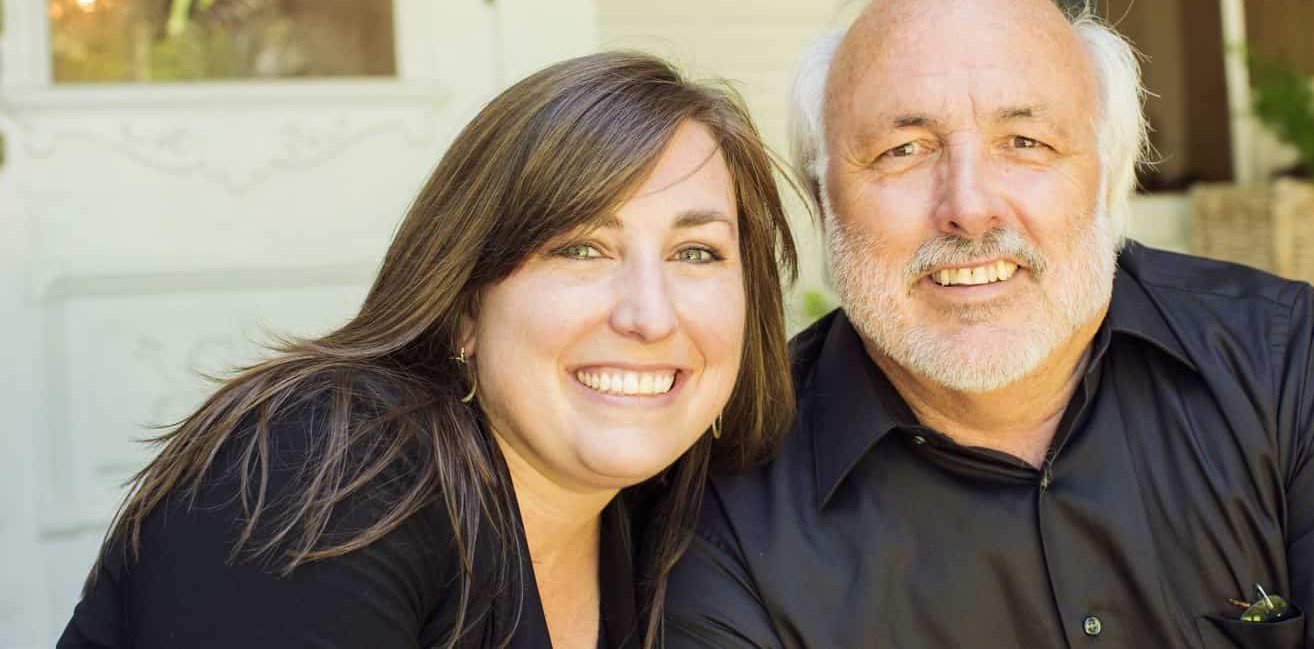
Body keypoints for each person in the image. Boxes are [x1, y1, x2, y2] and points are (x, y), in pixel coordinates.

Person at [664, 0, 1314, 648]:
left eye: (1024, 140)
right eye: (903, 151)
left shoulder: (1288, 370)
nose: (967, 208)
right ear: (822, 195)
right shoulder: (731, 501)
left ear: (1106, 177)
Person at [58, 51, 799, 649]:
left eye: (697, 254)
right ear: (464, 306)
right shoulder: (326, 469)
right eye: (580, 248)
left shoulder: (669, 518)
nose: (649, 314)